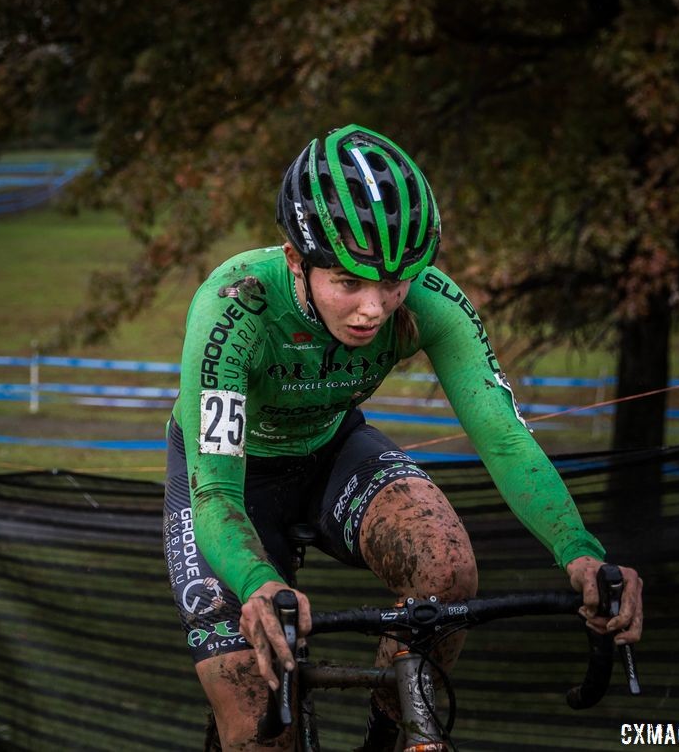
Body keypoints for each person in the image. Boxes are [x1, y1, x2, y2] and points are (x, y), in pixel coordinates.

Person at [162, 124, 644, 751]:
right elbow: (216, 492)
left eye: (394, 282)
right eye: (349, 282)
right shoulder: (235, 308)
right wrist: (256, 583)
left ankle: (392, 731)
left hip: (331, 449)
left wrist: (580, 553)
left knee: (446, 569)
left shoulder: (429, 301)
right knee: (258, 728)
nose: (374, 308)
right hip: (226, 483)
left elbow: (503, 437)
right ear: (294, 260)